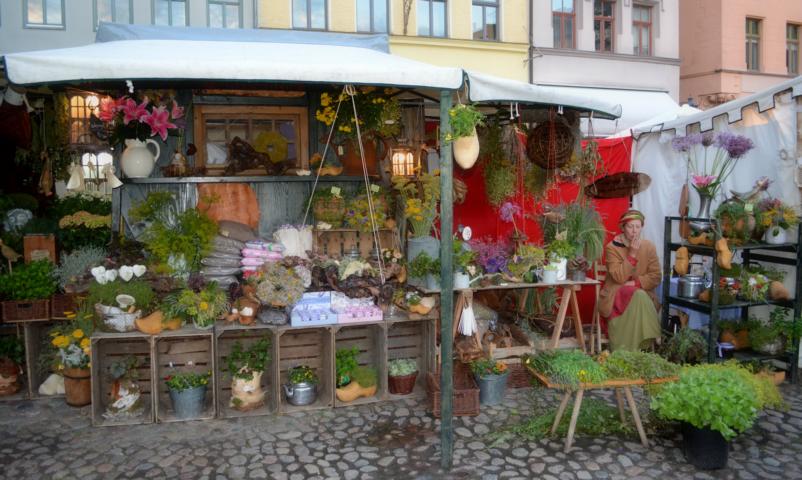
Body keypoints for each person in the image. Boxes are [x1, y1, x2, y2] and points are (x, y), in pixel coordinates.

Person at [598, 209, 661, 351]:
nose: (634, 231)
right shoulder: (612, 248)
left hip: (642, 296)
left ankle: (649, 336)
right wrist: (631, 254)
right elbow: (619, 278)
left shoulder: (648, 247)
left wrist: (636, 283)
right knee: (638, 294)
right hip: (617, 296)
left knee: (638, 293)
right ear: (623, 228)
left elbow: (656, 276)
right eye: (630, 226)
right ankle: (654, 332)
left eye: (638, 227)